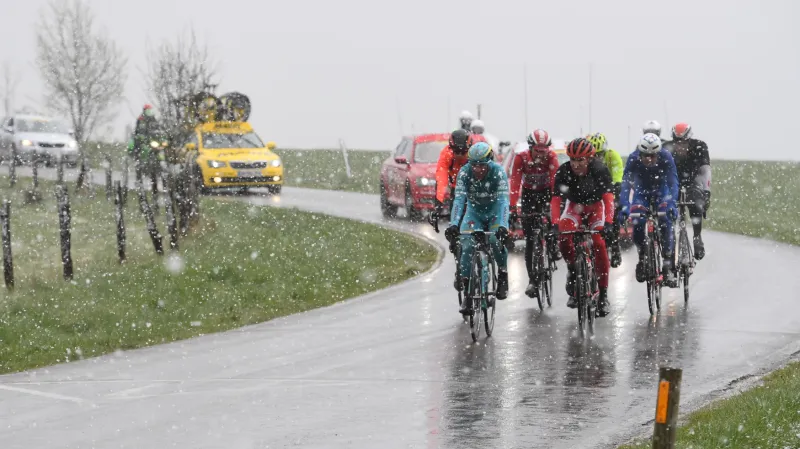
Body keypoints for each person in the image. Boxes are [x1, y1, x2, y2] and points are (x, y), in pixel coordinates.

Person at [550, 137, 615, 316]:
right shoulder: (564, 171)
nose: (575, 164)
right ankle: (573, 269)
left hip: (595, 208)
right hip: (574, 208)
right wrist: (555, 224)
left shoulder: (599, 170)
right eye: (572, 159)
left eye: (580, 160)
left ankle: (603, 295)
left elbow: (608, 198)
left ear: (590, 159)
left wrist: (609, 223)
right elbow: (556, 199)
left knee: (599, 244)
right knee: (564, 237)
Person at [445, 142, 511, 313]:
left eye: (482, 165)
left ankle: (503, 273)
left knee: (496, 240)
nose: (477, 169)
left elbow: (503, 201)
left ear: (489, 162)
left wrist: (503, 225)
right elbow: (459, 200)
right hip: (474, 213)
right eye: (474, 165)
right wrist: (454, 224)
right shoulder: (464, 172)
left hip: (495, 213)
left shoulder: (498, 172)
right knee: (467, 245)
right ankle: (468, 293)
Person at [618, 133, 680, 287]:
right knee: (637, 221)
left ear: (658, 153)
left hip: (662, 193)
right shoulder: (633, 158)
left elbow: (673, 182)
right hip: (642, 193)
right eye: (646, 156)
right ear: (640, 153)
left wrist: (672, 203)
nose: (649, 159)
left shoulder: (666, 157)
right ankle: (642, 256)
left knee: (665, 221)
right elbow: (625, 184)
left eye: (653, 156)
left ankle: (667, 263)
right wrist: (624, 206)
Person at [509, 129, 560, 298]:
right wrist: (512, 207)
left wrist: (554, 214)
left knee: (552, 221)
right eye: (537, 151)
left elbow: (555, 185)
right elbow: (515, 183)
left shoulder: (552, 158)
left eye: (544, 151)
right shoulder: (521, 158)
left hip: (546, 193)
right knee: (530, 239)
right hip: (529, 195)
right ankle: (532, 280)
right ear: (530, 147)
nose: (541, 154)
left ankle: (553, 244)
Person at [667, 122, 711, 259]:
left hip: (693, 181)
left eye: (684, 143)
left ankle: (697, 237)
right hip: (673, 183)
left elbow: (705, 171)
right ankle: (668, 239)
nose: (680, 147)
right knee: (666, 208)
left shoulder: (700, 147)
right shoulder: (666, 149)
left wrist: (706, 192)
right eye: (677, 143)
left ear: (689, 140)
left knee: (696, 203)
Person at [587, 132, 625, 267]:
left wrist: (614, 190)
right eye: (595, 155)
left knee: (613, 213)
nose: (597, 157)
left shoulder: (612, 156)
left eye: (600, 154)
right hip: (595, 191)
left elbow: (617, 176)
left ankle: (615, 246)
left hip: (610, 188)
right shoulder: (587, 160)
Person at [435, 129, 471, 217]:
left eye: (463, 152)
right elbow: (441, 179)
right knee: (454, 213)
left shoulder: (474, 154)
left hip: (473, 186)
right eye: (456, 151)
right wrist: (439, 203)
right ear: (451, 149)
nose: (459, 155)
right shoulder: (446, 154)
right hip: (456, 186)